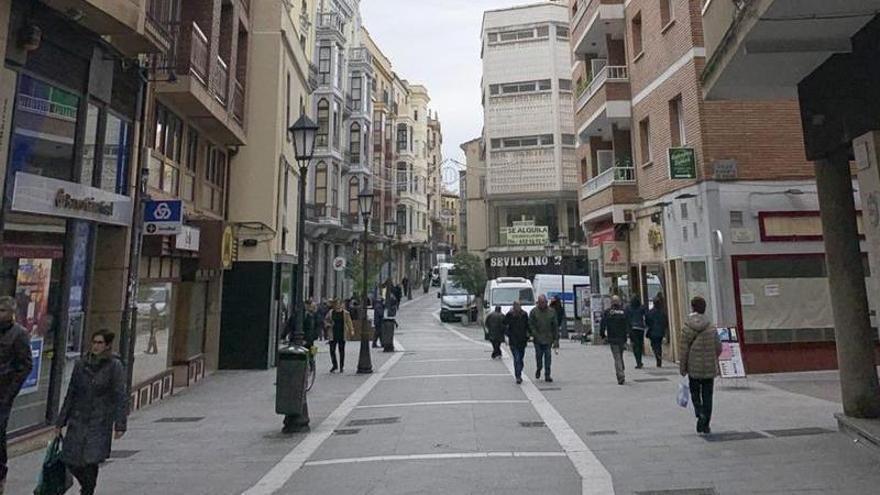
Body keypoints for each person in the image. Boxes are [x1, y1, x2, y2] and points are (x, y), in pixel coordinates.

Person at [55, 329, 127, 495]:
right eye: (94, 342)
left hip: (99, 421)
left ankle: (87, 491)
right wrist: (60, 421)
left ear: (107, 345)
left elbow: (119, 395)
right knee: (71, 459)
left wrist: (120, 424)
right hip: (78, 419)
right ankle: (87, 488)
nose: (96, 346)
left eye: (100, 343)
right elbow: (71, 393)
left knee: (90, 460)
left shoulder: (114, 366)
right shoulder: (81, 364)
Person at [0, 296, 33, 493]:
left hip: (3, 392)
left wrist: (10, 392)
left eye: (3, 311)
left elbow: (25, 366)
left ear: (11, 313)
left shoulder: (19, 334)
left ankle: (1, 472)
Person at [679, 296, 722, 435]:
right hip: (709, 368)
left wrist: (683, 367)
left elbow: (684, 350)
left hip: (693, 368)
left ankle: (699, 412)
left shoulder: (687, 327)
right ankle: (706, 424)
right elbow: (718, 347)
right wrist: (712, 357)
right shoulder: (711, 327)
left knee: (695, 393)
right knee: (708, 395)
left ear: (692, 308)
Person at [599, 296, 631, 385]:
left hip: (613, 338)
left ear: (612, 302)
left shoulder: (608, 312)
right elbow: (628, 324)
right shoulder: (624, 312)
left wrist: (602, 335)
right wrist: (629, 335)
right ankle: (621, 367)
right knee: (620, 355)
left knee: (617, 357)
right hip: (622, 338)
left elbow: (603, 324)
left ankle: (620, 375)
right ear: (619, 302)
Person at [529, 295, 558, 382]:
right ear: (538, 302)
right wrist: (534, 333)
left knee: (548, 357)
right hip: (538, 339)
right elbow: (530, 324)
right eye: (541, 302)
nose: (542, 304)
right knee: (539, 356)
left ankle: (547, 374)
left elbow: (555, 326)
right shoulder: (534, 312)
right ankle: (539, 368)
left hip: (548, 338)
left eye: (544, 302)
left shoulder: (551, 312)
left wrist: (556, 339)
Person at [504, 301, 530, 384]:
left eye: (519, 306)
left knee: (520, 359)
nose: (518, 307)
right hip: (513, 340)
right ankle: (518, 376)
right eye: (516, 306)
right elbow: (504, 324)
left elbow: (527, 325)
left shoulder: (524, 314)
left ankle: (519, 370)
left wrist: (528, 335)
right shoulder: (510, 315)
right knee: (517, 358)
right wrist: (507, 334)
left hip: (522, 340)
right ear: (514, 307)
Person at [324, 300, 353, 373]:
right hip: (333, 334)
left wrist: (351, 330)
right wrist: (328, 325)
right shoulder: (330, 312)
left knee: (341, 350)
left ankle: (341, 366)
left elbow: (349, 322)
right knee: (332, 350)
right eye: (336, 304)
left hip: (342, 334)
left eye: (339, 304)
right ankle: (335, 365)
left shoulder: (345, 313)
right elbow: (326, 320)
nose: (337, 305)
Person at [645, 294, 669, 367]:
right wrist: (664, 328)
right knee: (658, 345)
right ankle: (659, 357)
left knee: (654, 345)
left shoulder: (650, 312)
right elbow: (665, 321)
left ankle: (657, 355)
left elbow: (647, 321)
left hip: (652, 331)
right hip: (660, 331)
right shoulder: (663, 312)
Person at [625, 296, 647, 369]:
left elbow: (626, 319)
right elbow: (645, 316)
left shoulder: (628, 308)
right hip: (640, 328)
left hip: (632, 328)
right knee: (640, 344)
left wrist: (627, 330)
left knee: (635, 345)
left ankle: (638, 361)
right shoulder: (641, 308)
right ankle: (640, 360)